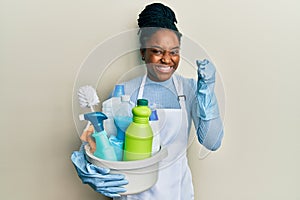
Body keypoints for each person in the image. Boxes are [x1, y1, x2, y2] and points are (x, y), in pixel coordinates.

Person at [71, 3, 224, 200]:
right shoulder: (123, 91)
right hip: (132, 194)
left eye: (174, 52)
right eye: (157, 51)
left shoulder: (190, 89)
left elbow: (212, 142)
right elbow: (98, 142)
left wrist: (207, 91)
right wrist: (88, 169)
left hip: (178, 193)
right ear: (143, 52)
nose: (167, 60)